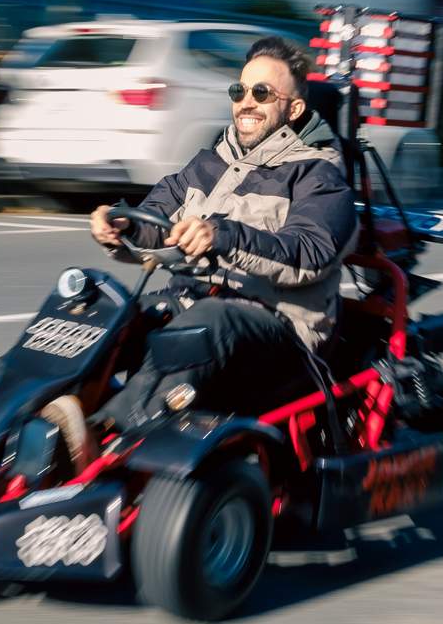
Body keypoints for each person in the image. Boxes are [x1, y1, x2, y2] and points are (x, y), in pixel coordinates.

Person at [89, 36, 358, 429]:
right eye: (239, 91)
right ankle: (16, 417)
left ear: (294, 108)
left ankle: (109, 433)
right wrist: (122, 227)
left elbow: (308, 254)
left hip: (280, 330)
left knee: (205, 323)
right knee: (103, 311)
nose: (246, 102)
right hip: (195, 302)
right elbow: (155, 221)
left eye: (262, 93)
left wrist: (222, 236)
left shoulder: (319, 175)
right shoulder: (210, 162)